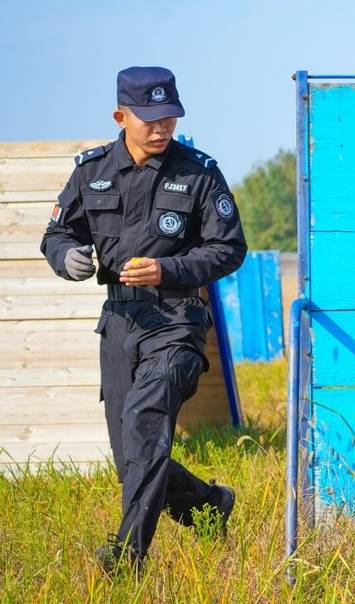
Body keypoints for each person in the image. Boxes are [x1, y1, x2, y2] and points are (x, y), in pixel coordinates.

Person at [40, 66, 248, 573]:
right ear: (121, 116)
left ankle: (127, 557)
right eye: (150, 119)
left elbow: (230, 248)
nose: (161, 129)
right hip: (118, 323)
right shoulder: (91, 172)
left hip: (177, 321)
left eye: (170, 118)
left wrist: (168, 268)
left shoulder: (199, 173)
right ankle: (207, 505)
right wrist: (67, 257)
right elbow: (56, 234)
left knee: (145, 425)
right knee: (128, 456)